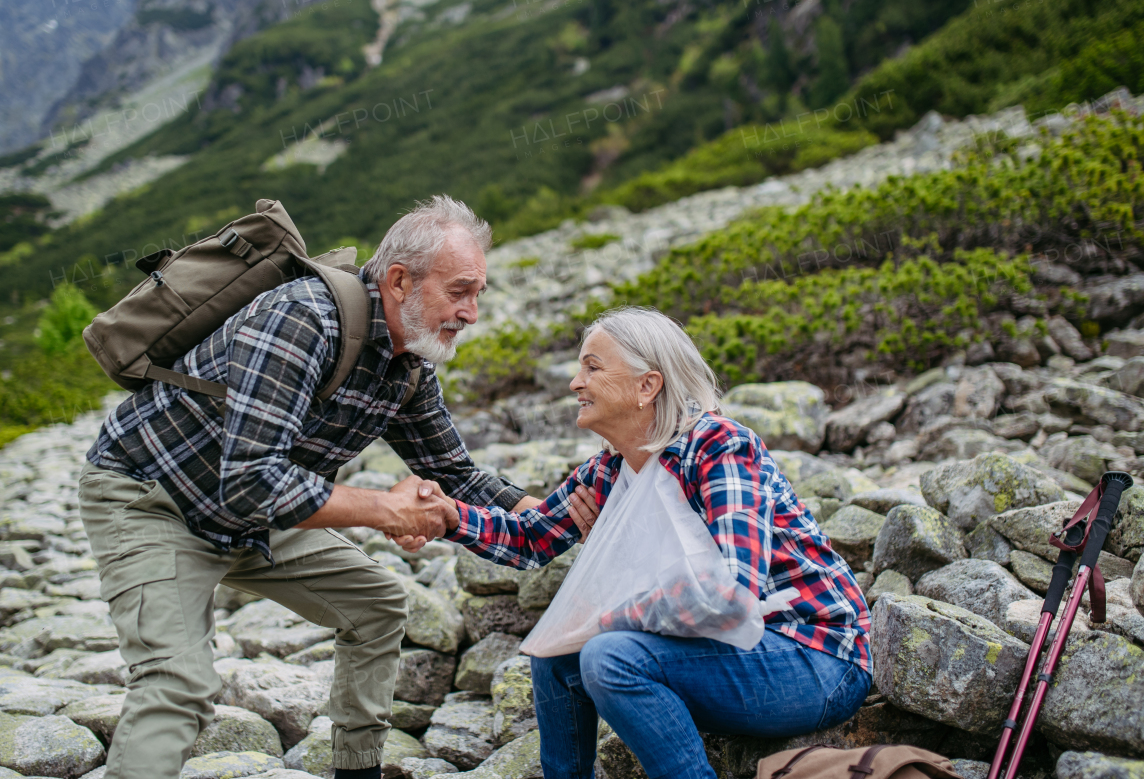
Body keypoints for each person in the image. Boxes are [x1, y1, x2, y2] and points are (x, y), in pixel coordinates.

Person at [77, 196, 572, 779]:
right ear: (398, 281)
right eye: (459, 291)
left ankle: (355, 772)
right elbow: (252, 479)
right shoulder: (301, 318)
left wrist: (553, 514)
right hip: (152, 497)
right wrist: (383, 510)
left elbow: (456, 475)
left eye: (478, 295)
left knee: (378, 607)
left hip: (251, 515)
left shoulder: (407, 363)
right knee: (175, 682)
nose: (471, 313)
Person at [407, 306, 872, 779]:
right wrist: (448, 517)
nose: (574, 383)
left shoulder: (717, 446)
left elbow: (735, 589)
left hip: (815, 655)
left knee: (608, 654)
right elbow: (529, 540)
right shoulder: (609, 470)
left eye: (592, 367)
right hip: (735, 652)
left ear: (647, 386)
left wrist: (610, 615)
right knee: (556, 649)